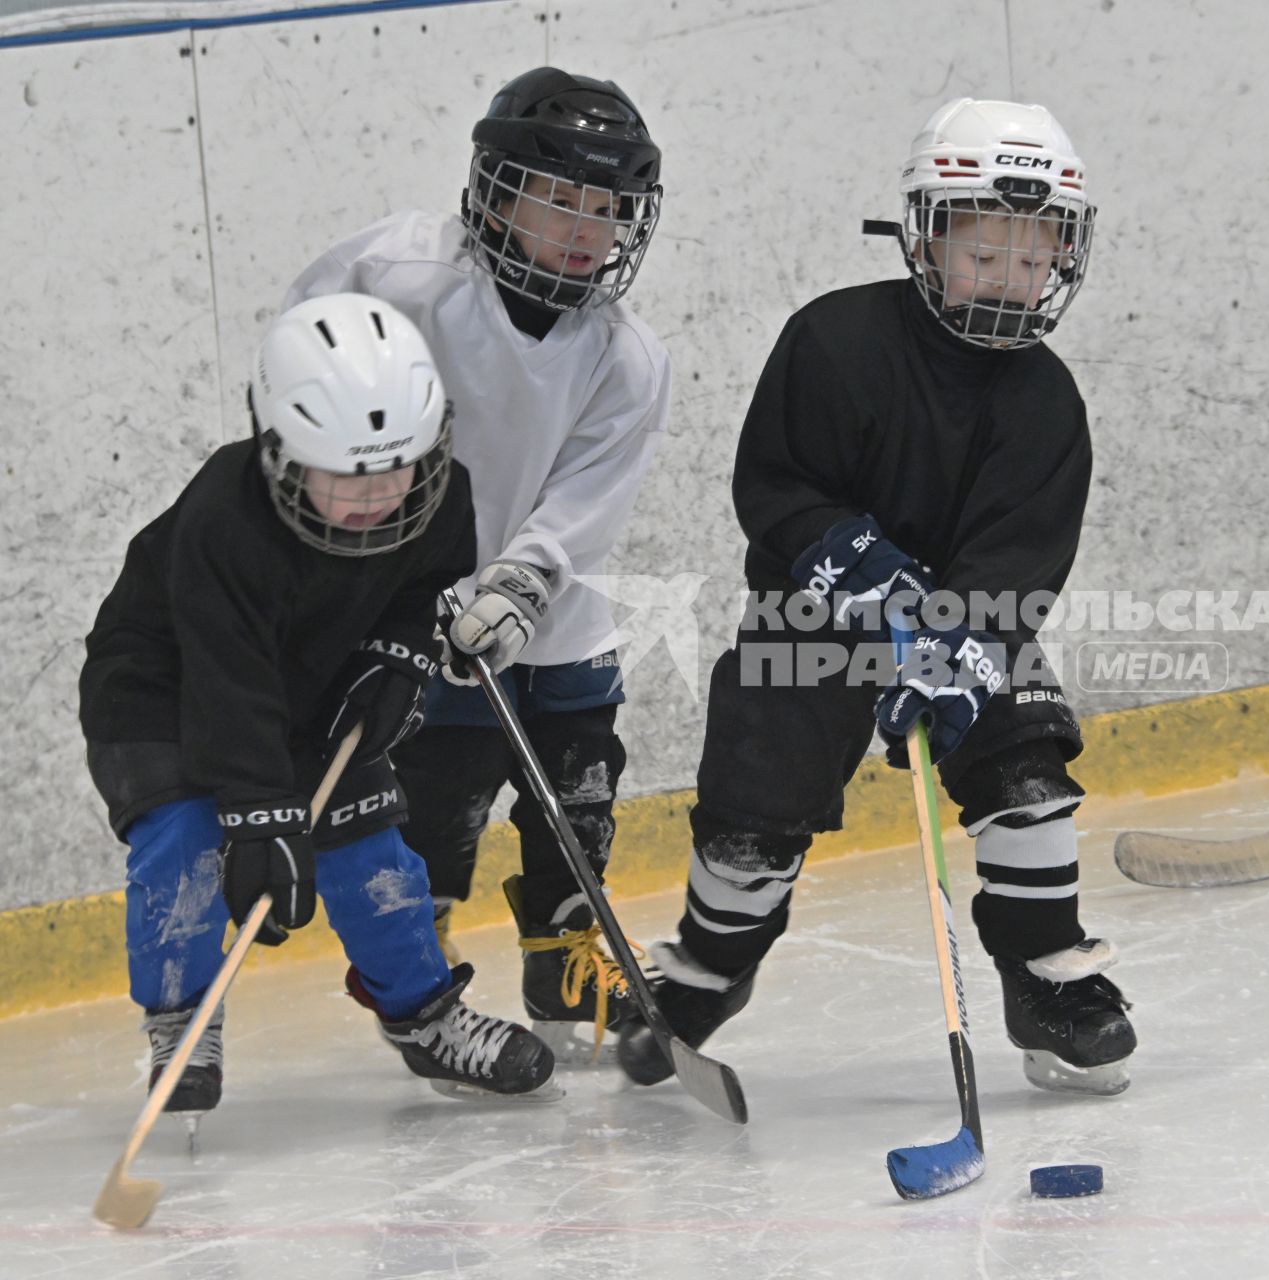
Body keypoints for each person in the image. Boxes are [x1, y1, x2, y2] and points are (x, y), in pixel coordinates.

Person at [616, 98, 1137, 1097]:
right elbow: (773, 489)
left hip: (959, 632)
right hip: (807, 622)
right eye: (985, 254)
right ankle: (707, 968)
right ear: (925, 236)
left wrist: (953, 654)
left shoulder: (1046, 403)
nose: (1010, 281)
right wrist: (859, 568)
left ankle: (1043, 976)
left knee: (1026, 770)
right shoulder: (833, 342)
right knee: (747, 826)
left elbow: (1013, 573)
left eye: (1032, 260)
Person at [79, 293, 557, 1120]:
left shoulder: (442, 497)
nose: (374, 495)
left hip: (311, 680)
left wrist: (396, 659)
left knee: (370, 851)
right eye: (343, 474)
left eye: (394, 469)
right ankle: (181, 1022)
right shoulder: (224, 521)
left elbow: (417, 592)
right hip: (162, 689)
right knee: (186, 841)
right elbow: (228, 682)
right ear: (279, 453)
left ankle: (424, 1018)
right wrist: (263, 816)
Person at [281, 67, 672, 1067]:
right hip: (409, 611)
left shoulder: (625, 355)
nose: (588, 231)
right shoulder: (395, 279)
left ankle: (567, 951)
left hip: (557, 617)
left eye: (607, 210)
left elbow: (587, 492)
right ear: (495, 195)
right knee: (435, 808)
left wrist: (518, 582)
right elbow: (308, 387)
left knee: (578, 791)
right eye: (561, 203)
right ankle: (422, 974)